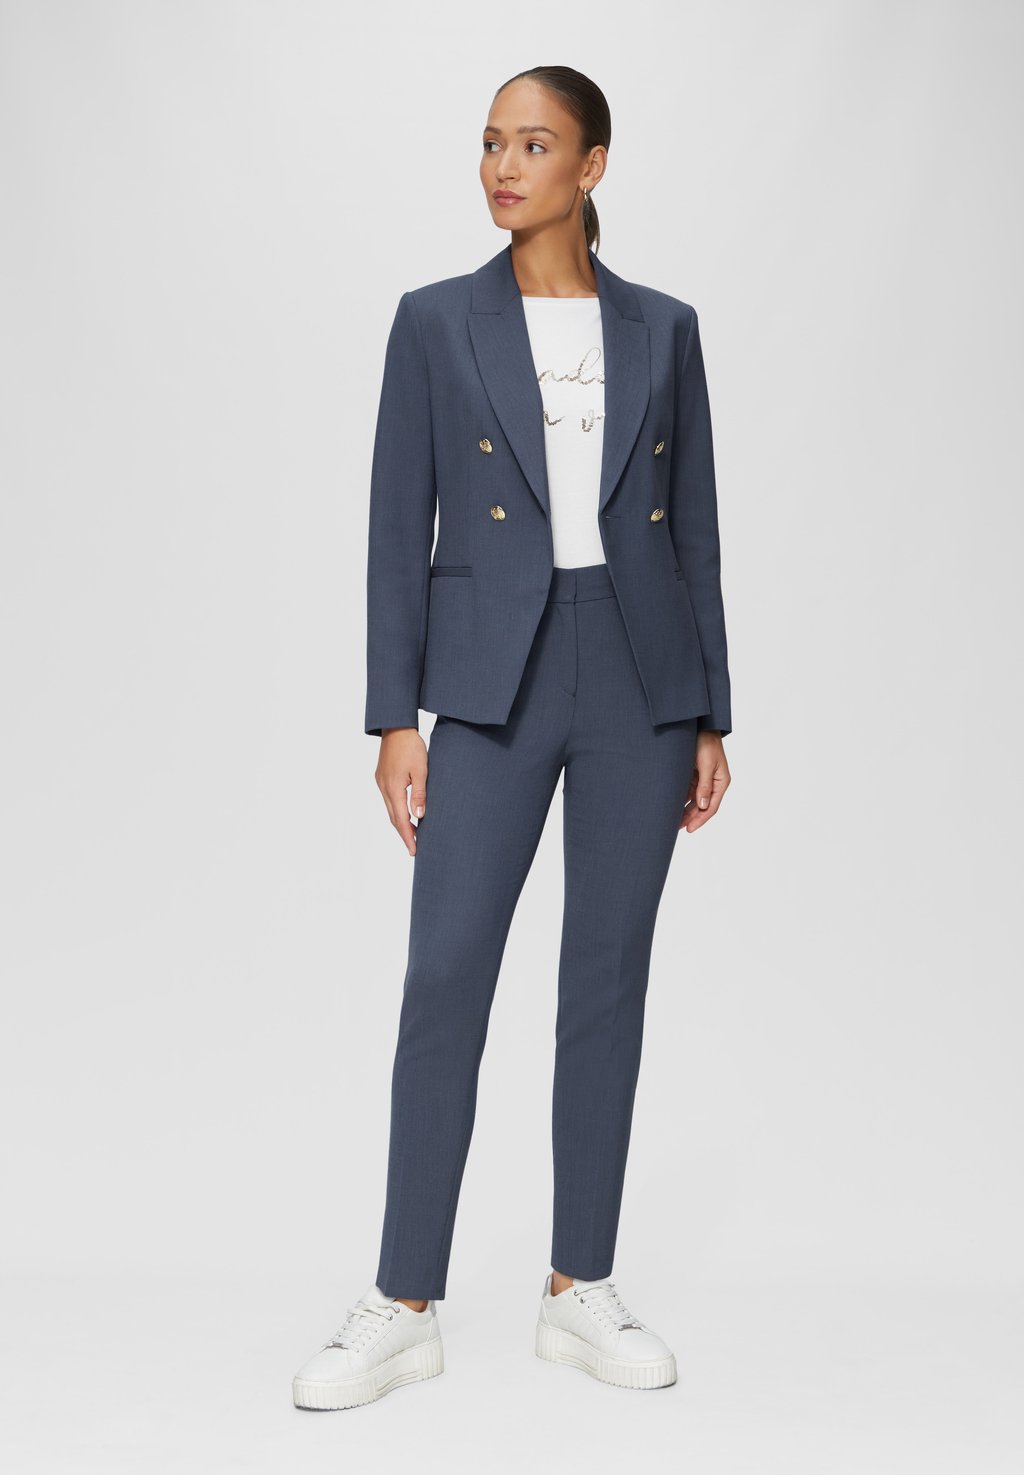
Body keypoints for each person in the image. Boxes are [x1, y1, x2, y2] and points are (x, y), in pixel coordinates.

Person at [293, 64, 733, 1410]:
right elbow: (396, 525)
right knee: (446, 977)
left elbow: (696, 531)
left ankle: (578, 1285)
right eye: (491, 142)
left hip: (640, 675)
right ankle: (402, 1301)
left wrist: (711, 709)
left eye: (534, 145)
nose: (502, 166)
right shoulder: (436, 321)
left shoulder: (664, 327)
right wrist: (394, 715)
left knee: (607, 978)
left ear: (591, 165)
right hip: (491, 677)